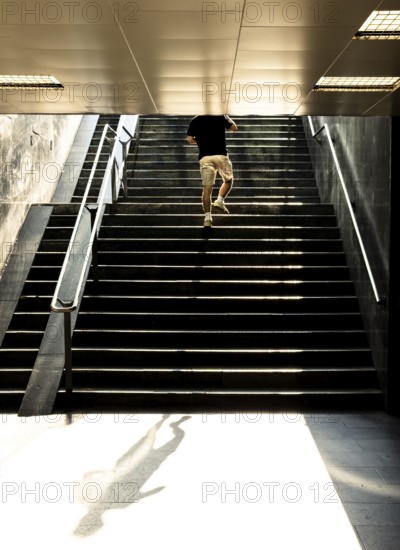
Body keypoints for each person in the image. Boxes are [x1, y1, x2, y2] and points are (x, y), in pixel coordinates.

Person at [186, 114, 238, 227]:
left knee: (207, 188)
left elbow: (189, 139)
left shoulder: (195, 120)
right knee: (228, 180)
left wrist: (201, 141)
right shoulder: (219, 117)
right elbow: (234, 128)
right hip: (221, 155)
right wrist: (227, 116)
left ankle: (207, 218)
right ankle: (220, 200)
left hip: (205, 157)